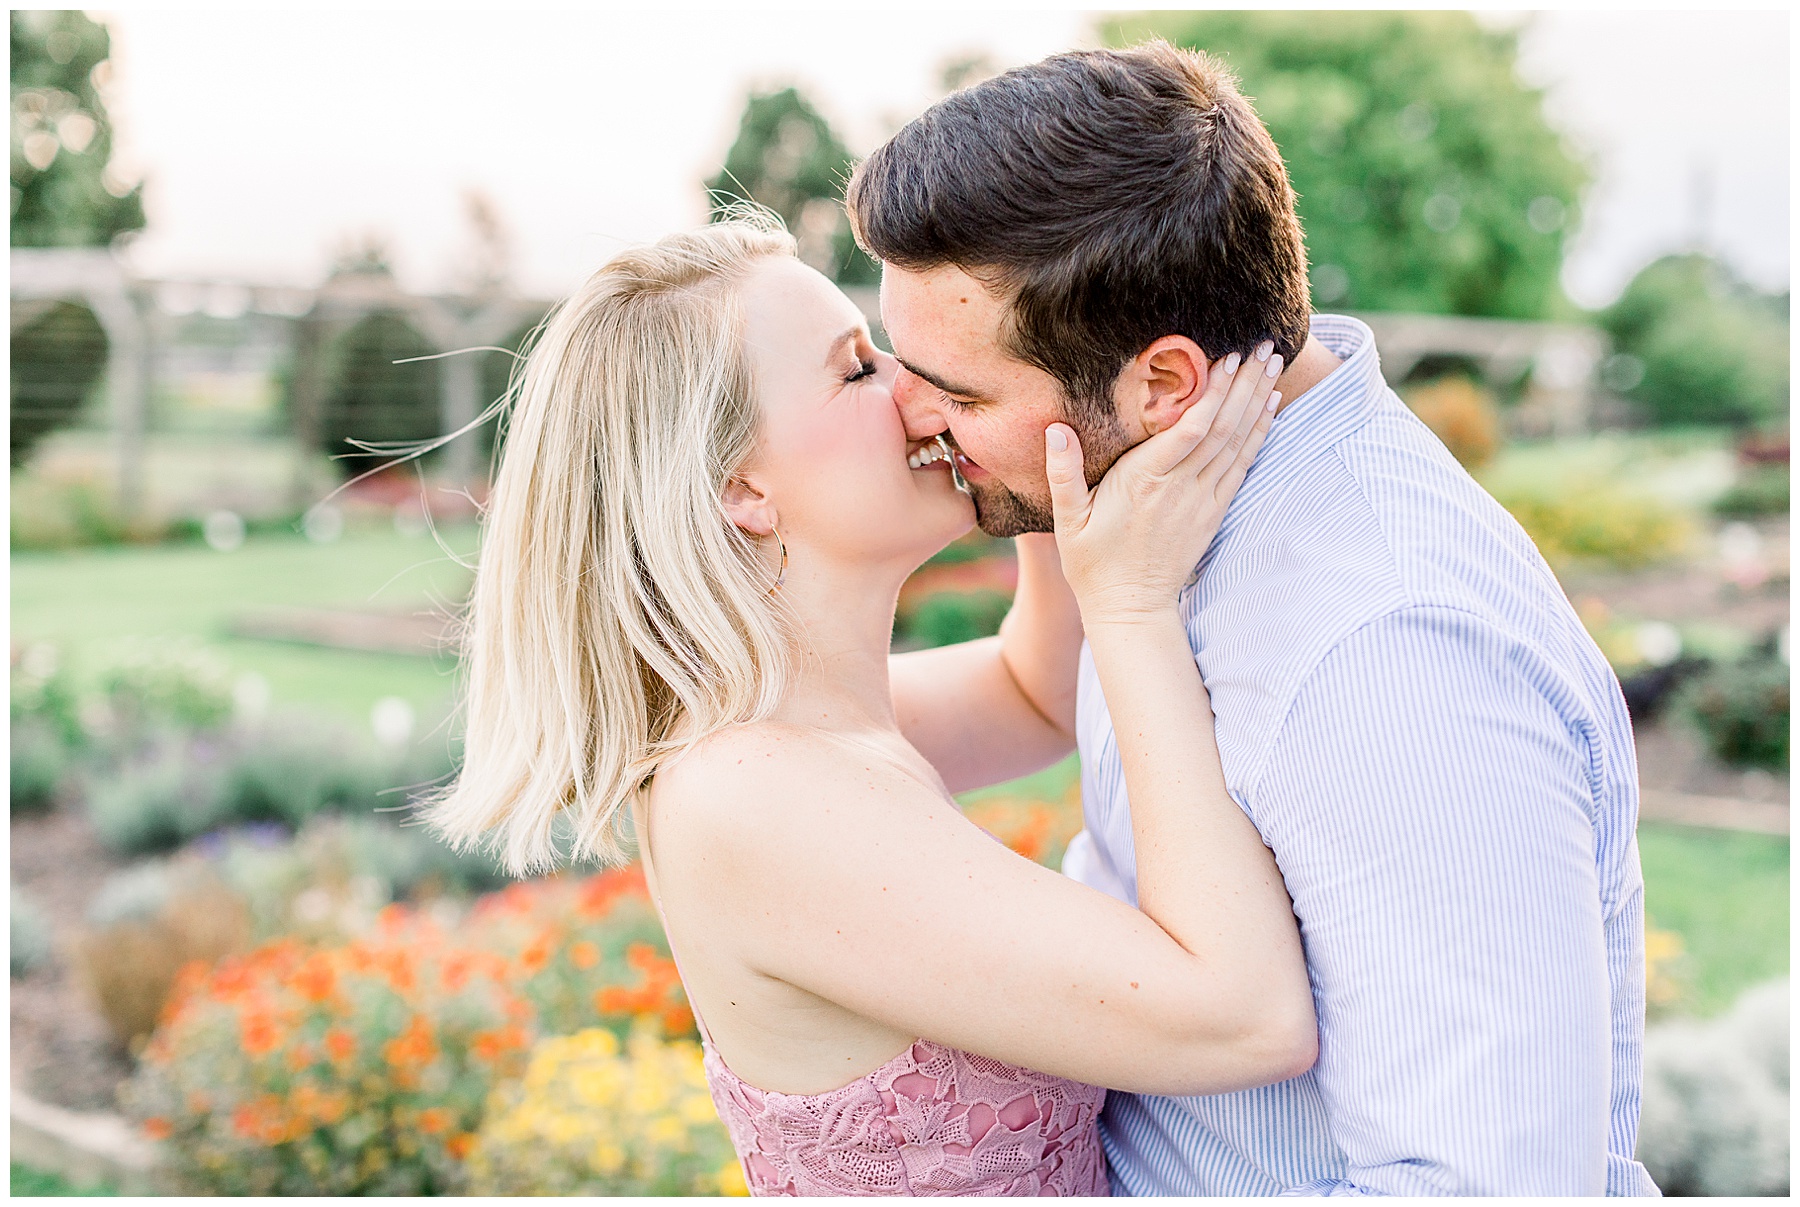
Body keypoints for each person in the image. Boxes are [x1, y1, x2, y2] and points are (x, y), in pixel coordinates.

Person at [846, 41, 1658, 1197]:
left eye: (959, 391)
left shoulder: (1388, 652)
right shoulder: (1160, 509)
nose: (907, 414)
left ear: (1165, 385)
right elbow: (1036, 693)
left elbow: (1486, 1186)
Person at [425, 218, 1317, 1196]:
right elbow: (1246, 1017)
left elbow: (1039, 691)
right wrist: (1133, 603)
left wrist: (1031, 427)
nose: (916, 387)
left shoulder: (809, 729)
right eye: (858, 368)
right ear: (742, 489)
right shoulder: (754, 795)